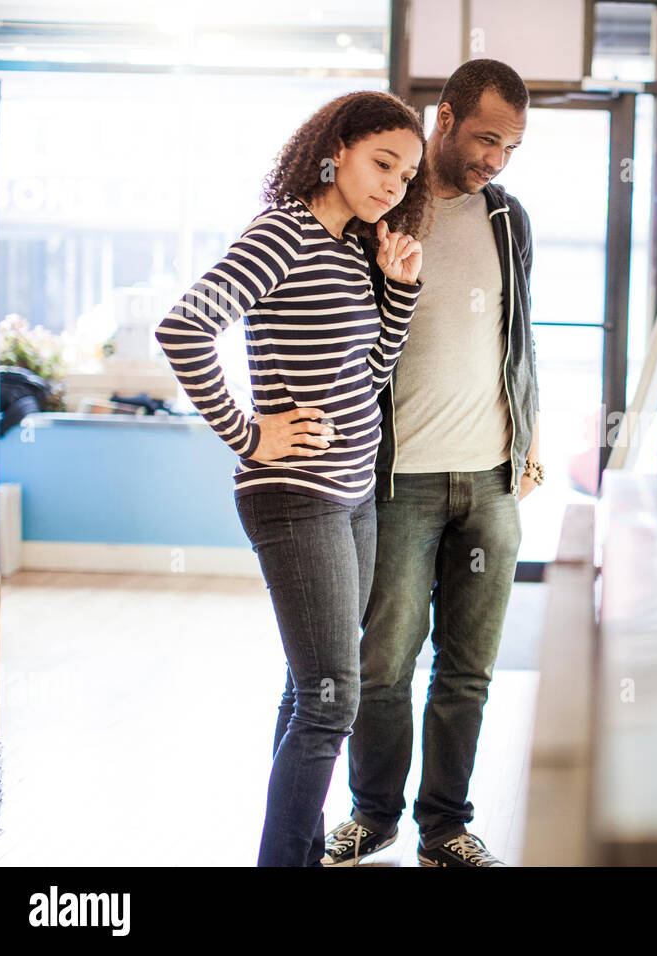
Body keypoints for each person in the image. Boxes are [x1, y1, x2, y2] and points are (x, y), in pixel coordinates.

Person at [155, 91, 427, 866]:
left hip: (354, 496)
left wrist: (397, 290)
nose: (392, 185)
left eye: (406, 176)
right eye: (383, 163)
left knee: (311, 691)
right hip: (294, 495)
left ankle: (300, 854)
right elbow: (183, 326)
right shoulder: (282, 233)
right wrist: (249, 433)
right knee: (332, 699)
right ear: (335, 148)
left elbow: (369, 373)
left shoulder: (351, 248)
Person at [321, 58, 540, 868]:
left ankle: (444, 826)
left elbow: (518, 339)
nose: (495, 160)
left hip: (490, 481)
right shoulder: (385, 209)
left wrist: (530, 436)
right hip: (397, 480)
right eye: (486, 138)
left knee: (469, 671)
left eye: (511, 147)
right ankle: (372, 814)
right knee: (383, 664)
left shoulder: (509, 219)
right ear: (444, 118)